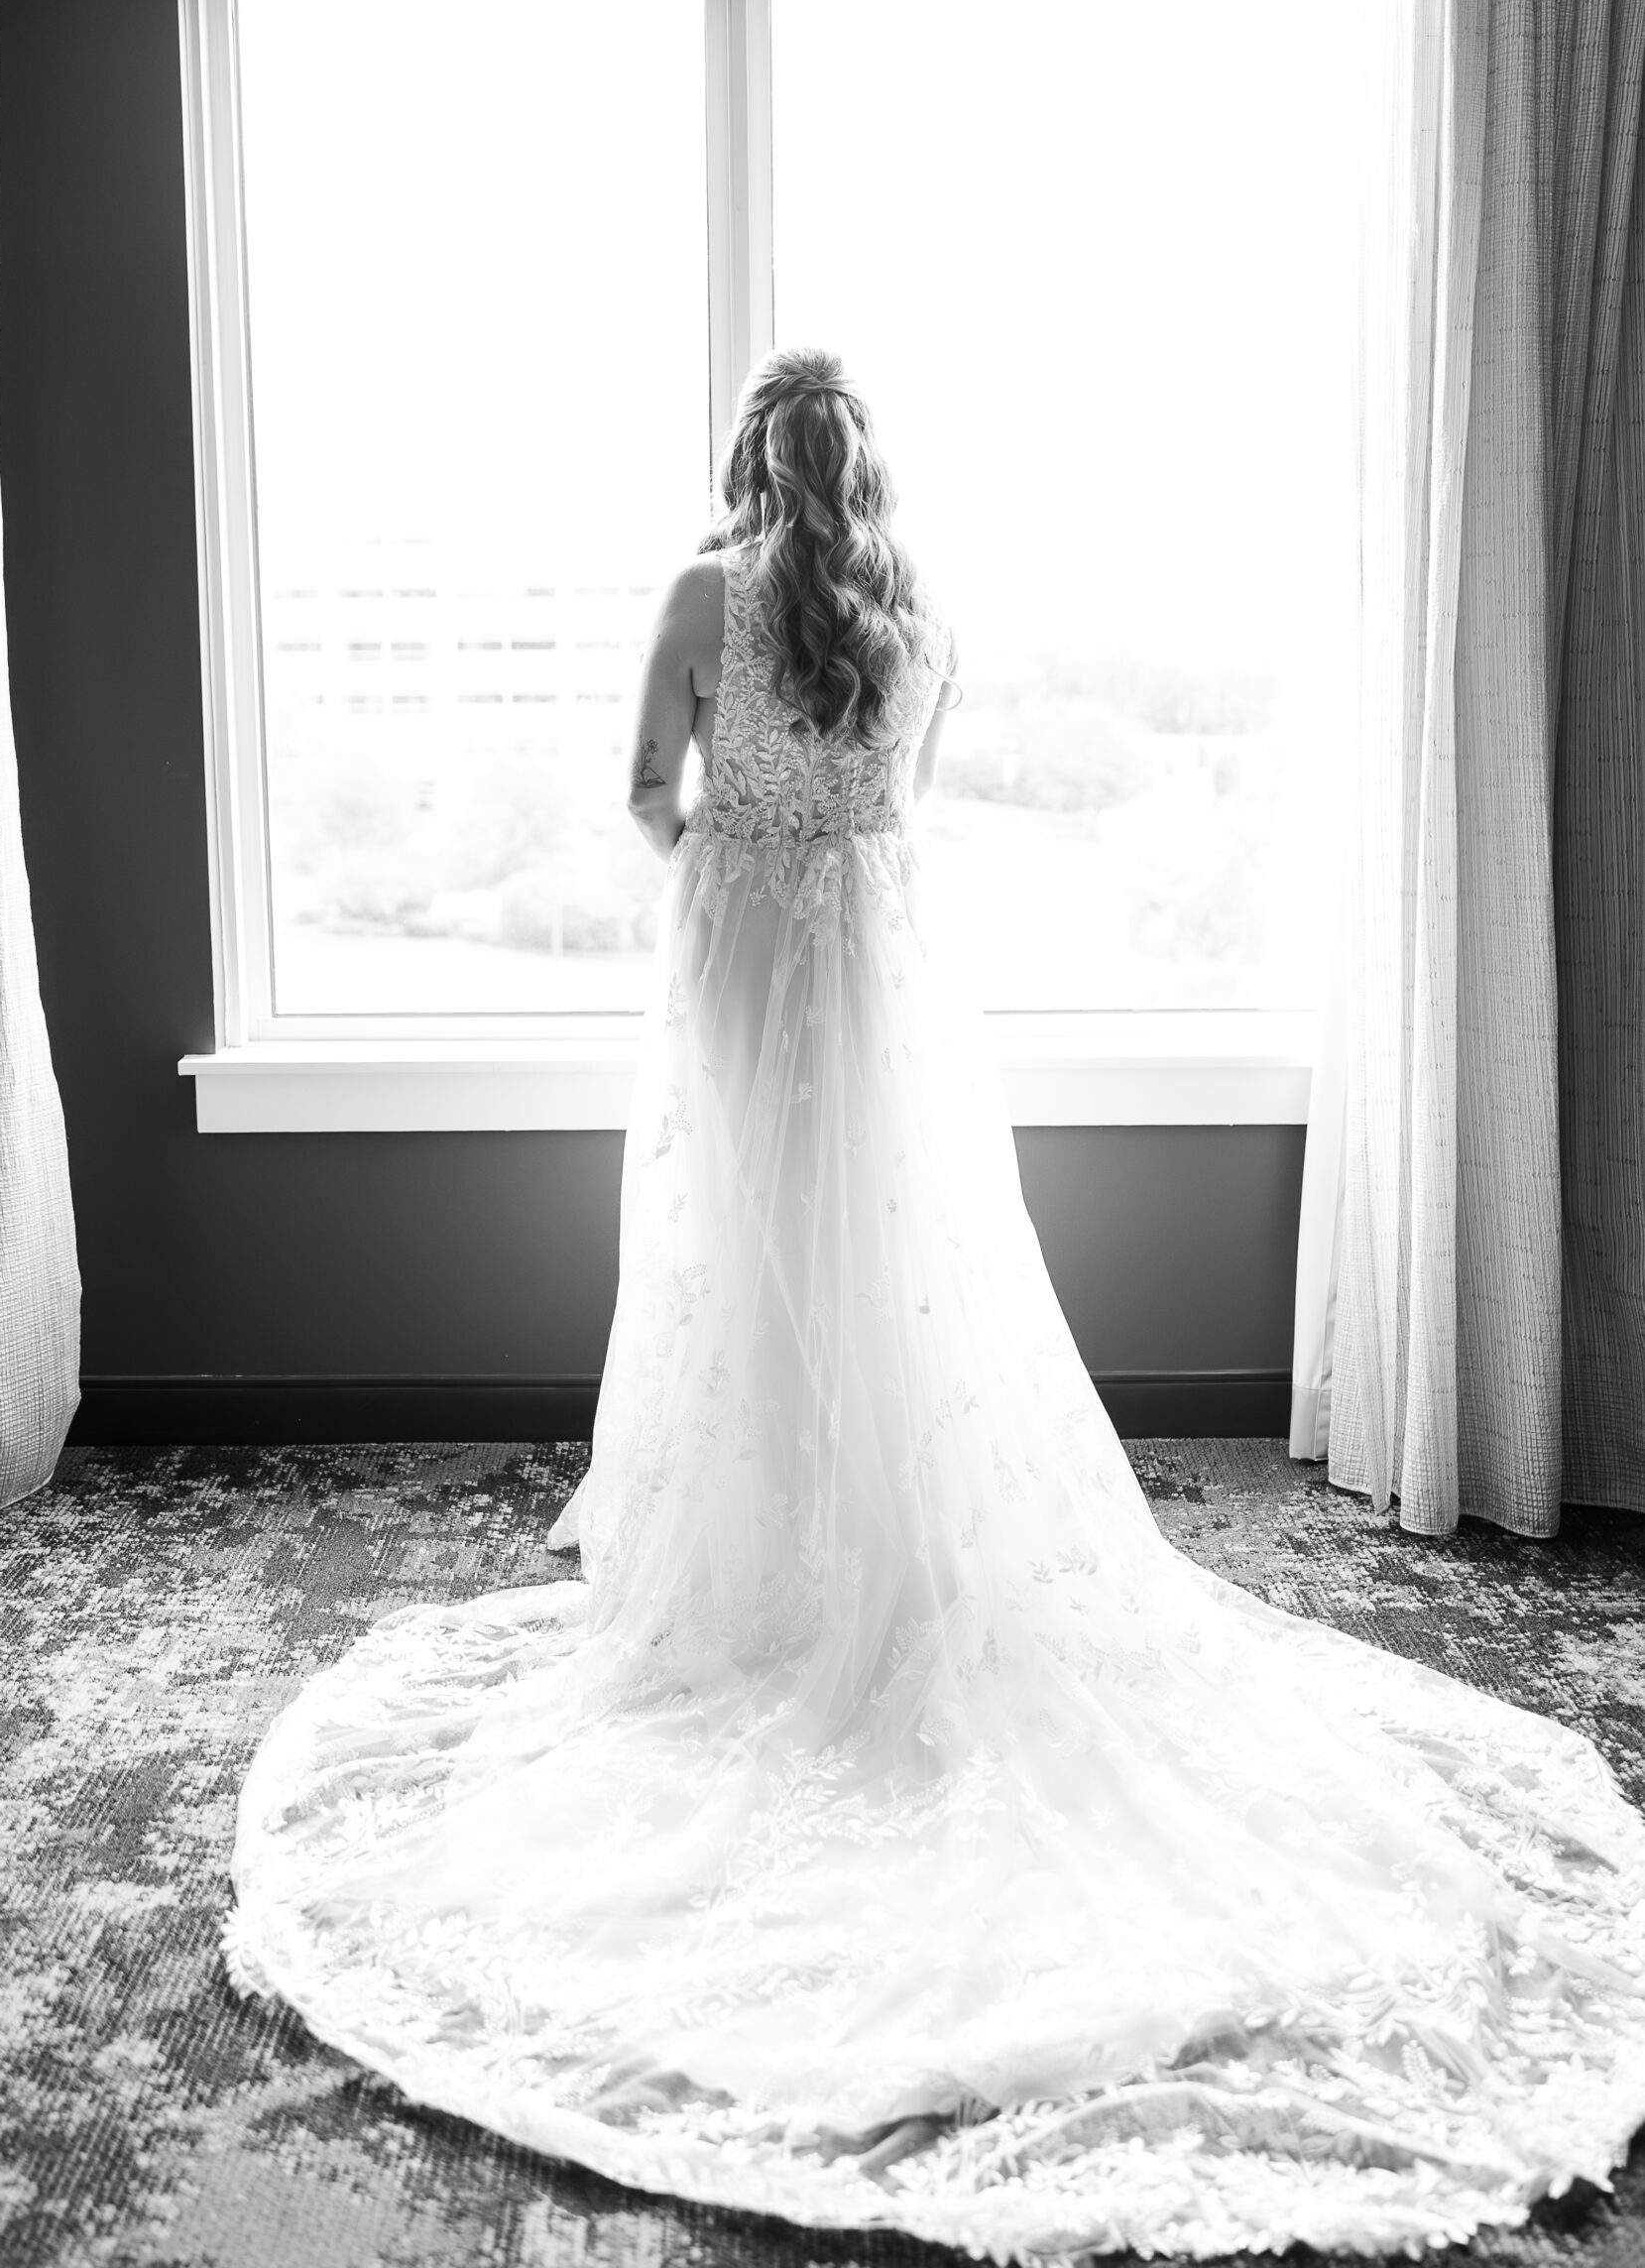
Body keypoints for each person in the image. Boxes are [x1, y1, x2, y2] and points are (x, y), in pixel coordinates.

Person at [227, 348, 1645, 2260]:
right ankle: (866, 1552)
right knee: (889, 1272)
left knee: (751, 1271)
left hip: (740, 957)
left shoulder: (693, 592)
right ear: (862, 467)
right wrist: (815, 864)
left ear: (744, 459)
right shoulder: (921, 615)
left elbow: (647, 793)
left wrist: (730, 868)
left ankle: (767, 1575)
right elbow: (903, 804)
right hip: (885, 975)